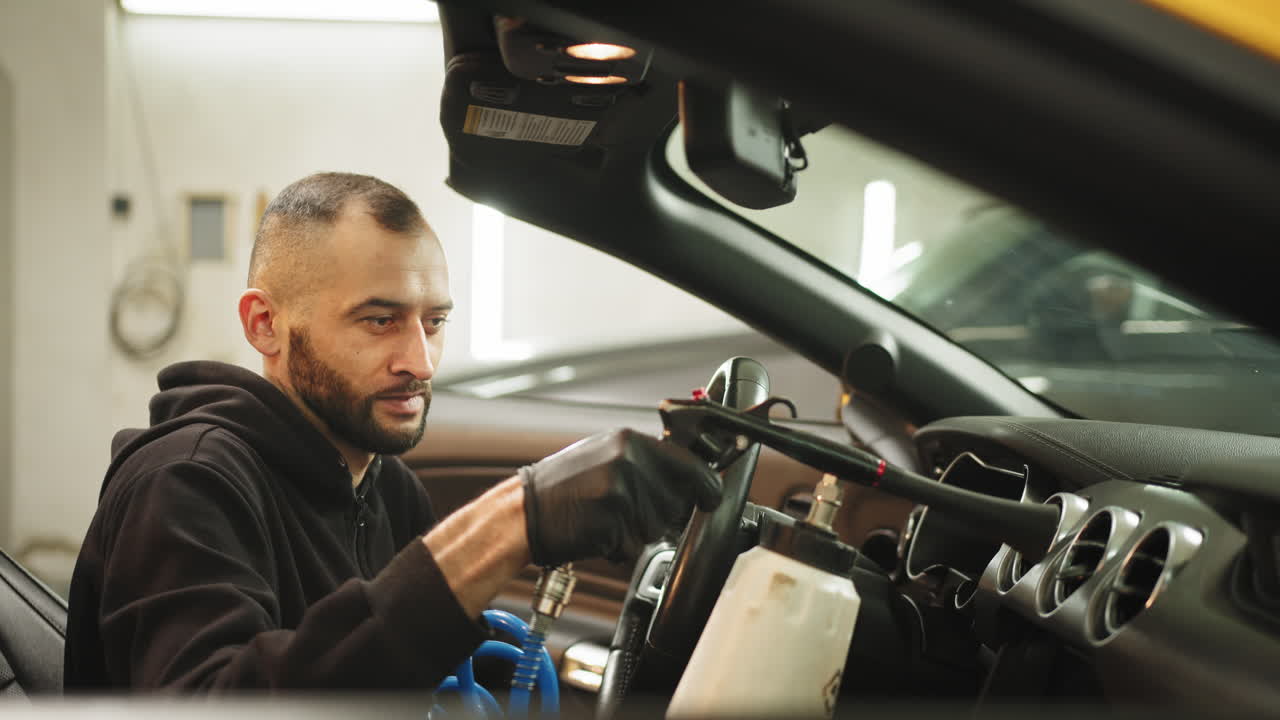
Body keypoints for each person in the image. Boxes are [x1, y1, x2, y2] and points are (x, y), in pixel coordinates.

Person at [64, 172, 722, 691]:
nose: (421, 360)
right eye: (379, 320)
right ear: (265, 324)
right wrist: (511, 520)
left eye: (433, 322)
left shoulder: (390, 490)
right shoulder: (186, 483)